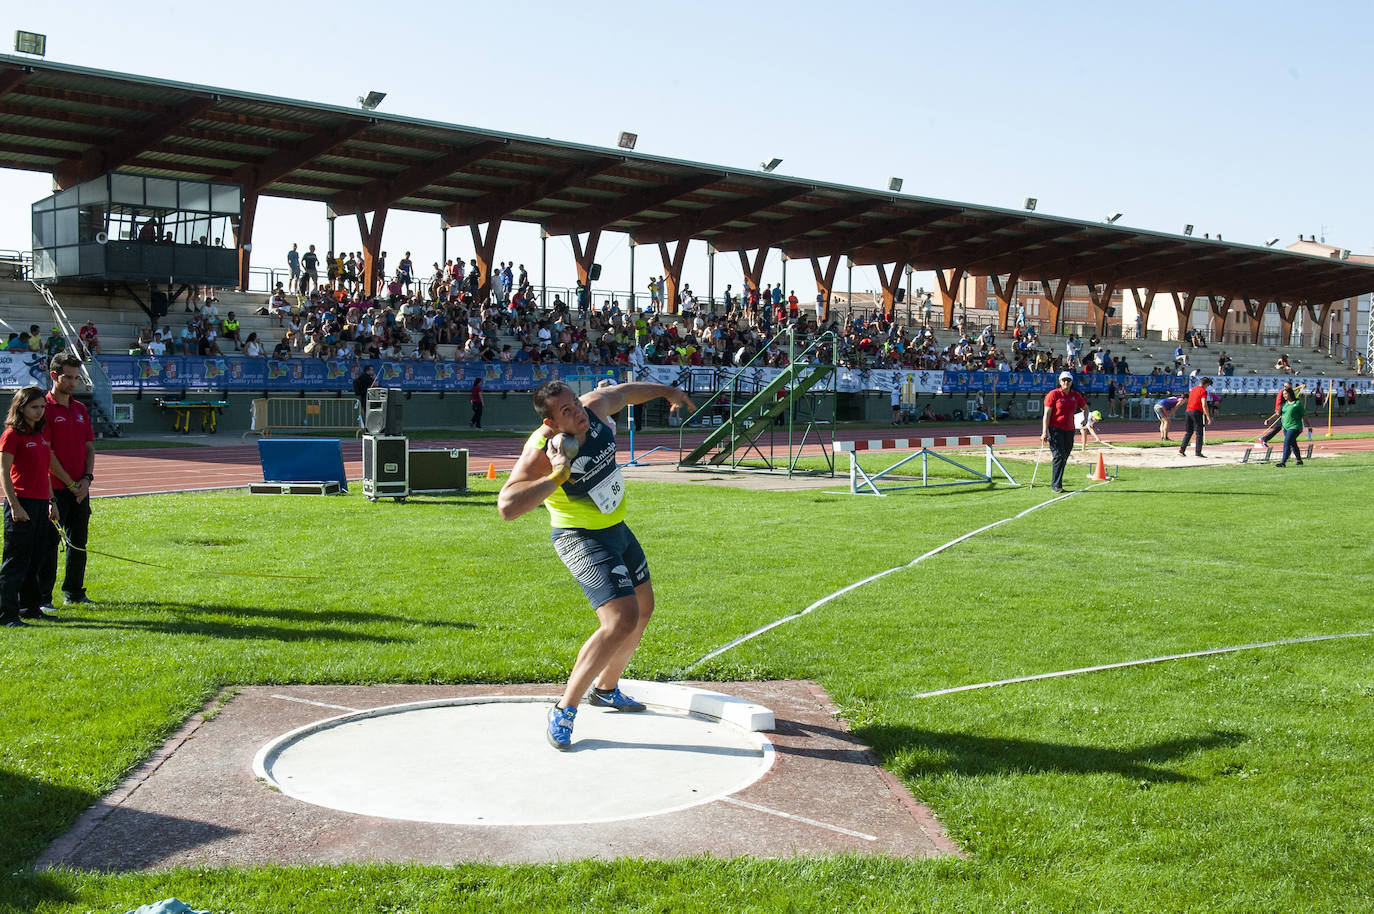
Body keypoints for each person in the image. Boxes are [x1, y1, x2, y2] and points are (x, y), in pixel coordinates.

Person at [497, 379, 694, 750]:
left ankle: (605, 689)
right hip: (579, 536)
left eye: (576, 403)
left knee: (644, 608)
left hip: (615, 527)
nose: (578, 413)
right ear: (551, 424)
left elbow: (623, 393)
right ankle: (564, 708)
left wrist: (668, 391)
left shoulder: (593, 412)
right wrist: (557, 474)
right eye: (567, 411)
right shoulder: (541, 450)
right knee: (620, 618)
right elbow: (507, 507)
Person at [1, 387, 60, 626]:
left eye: (42, 407)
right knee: (16, 561)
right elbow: (4, 473)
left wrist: (52, 501)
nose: (39, 411)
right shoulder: (12, 435)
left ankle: (30, 607)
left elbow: (45, 473)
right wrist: (15, 506)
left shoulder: (40, 435)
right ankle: (7, 614)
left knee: (36, 558)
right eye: (34, 407)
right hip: (21, 503)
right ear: (21, 407)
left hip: (39, 504)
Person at [42, 354, 96, 606]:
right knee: (49, 544)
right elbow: (47, 454)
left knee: (79, 543)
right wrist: (71, 484)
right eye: (69, 377)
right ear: (54, 375)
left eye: (77, 378)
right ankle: (43, 597)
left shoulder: (80, 409)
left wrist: (86, 479)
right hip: (54, 489)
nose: (74, 383)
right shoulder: (42, 407)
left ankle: (74, 593)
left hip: (80, 488)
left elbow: (89, 448)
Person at [1041, 371, 1087, 494]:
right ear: (1059, 381)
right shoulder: (1053, 394)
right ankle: (1056, 485)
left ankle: (1058, 483)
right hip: (1055, 429)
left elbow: (1085, 407)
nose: (1066, 382)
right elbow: (1047, 414)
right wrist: (1044, 432)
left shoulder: (1075, 395)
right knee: (1059, 455)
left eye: (1068, 380)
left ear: (1072, 382)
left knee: (1065, 456)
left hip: (1069, 429)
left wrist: (1085, 418)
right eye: (1063, 380)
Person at [1273, 386, 1311, 468]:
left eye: (1285, 394)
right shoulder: (1285, 404)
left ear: (1290, 394)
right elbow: (1278, 413)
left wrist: (1309, 426)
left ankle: (1283, 462)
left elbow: (1304, 416)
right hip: (1285, 427)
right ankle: (1299, 460)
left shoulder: (1297, 404)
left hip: (1295, 427)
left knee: (1287, 442)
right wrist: (1269, 419)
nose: (1284, 396)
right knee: (1293, 443)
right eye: (1283, 394)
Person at [1178, 377, 1213, 458]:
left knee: (1189, 432)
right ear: (1207, 384)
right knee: (1199, 432)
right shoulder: (1203, 391)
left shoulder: (1193, 389)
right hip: (1196, 412)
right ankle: (1198, 452)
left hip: (1188, 411)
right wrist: (1208, 416)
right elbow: (1204, 404)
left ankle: (1181, 450)